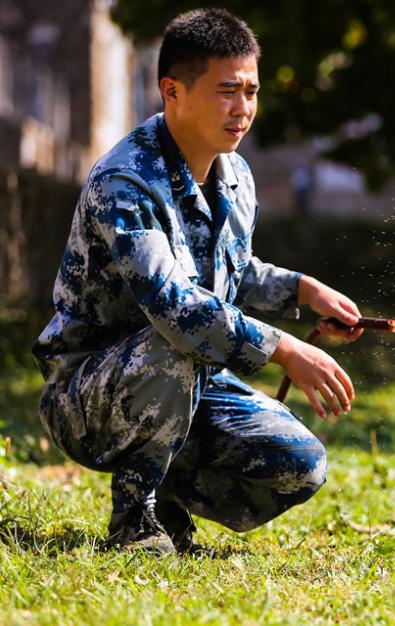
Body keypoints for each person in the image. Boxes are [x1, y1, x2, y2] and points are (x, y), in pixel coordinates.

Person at [32, 8, 362, 554]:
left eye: (252, 91)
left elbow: (231, 269)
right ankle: (134, 519)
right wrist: (282, 349)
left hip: (186, 380)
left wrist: (305, 290)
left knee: (299, 464)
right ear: (173, 91)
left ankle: (167, 498)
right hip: (88, 393)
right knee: (178, 340)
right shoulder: (126, 182)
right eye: (227, 91)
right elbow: (175, 305)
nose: (244, 109)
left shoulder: (234, 174)